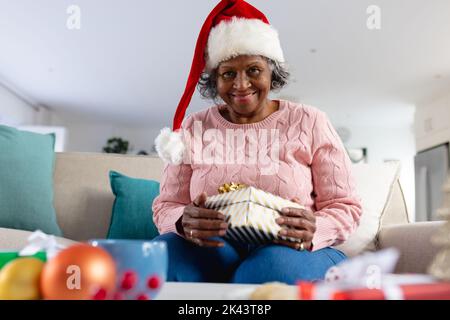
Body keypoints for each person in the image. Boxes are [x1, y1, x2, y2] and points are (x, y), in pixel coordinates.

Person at [151, 0, 362, 284]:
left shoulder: (310, 121)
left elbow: (345, 204)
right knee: (161, 255)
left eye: (253, 70)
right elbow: (167, 204)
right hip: (215, 249)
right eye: (228, 74)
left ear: (271, 71)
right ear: (215, 80)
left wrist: (318, 227)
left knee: (263, 272)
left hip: (294, 250)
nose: (241, 84)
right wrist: (182, 221)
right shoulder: (195, 126)